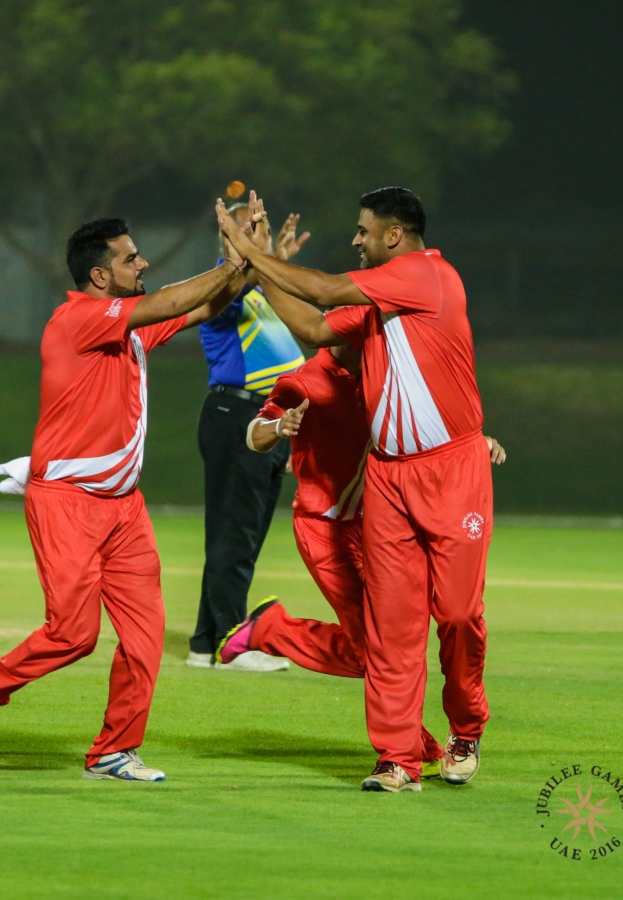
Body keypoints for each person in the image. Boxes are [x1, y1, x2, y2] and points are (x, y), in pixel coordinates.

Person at [217, 187, 493, 793]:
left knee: (457, 613)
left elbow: (322, 290)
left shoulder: (425, 274)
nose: (355, 240)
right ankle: (397, 758)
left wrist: (251, 253)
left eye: (363, 231)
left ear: (393, 235)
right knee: (391, 628)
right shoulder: (377, 307)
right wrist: (261, 271)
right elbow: (315, 324)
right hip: (389, 479)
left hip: (452, 472)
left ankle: (466, 729)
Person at [0, 214, 247, 782]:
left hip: (124, 508)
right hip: (67, 500)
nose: (142, 264)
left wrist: (253, 260)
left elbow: (205, 306)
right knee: (73, 634)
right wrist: (230, 264)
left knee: (145, 636)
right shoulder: (80, 318)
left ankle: (114, 751)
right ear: (99, 275)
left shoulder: (125, 327)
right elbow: (167, 302)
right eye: (130, 258)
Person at [188, 204, 311, 672]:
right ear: (227, 236)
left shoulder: (261, 287)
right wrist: (263, 259)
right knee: (235, 533)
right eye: (247, 229)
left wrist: (276, 260)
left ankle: (206, 642)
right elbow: (245, 283)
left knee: (240, 534)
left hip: (265, 419)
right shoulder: (224, 282)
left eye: (259, 228)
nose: (255, 236)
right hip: (235, 412)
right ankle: (230, 640)